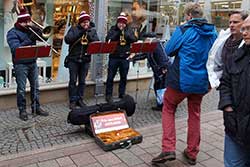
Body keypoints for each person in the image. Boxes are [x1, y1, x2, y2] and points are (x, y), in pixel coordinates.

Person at [152, 2, 217, 165]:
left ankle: (168, 148)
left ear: (188, 16)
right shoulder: (213, 32)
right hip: (201, 81)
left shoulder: (184, 29)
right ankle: (192, 152)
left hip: (181, 80)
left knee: (168, 107)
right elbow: (215, 56)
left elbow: (168, 50)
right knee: (194, 114)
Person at [6, 8, 49, 121]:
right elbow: (16, 49)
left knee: (36, 87)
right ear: (20, 22)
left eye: (29, 21)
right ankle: (22, 110)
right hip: (20, 64)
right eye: (26, 22)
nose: (28, 24)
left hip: (32, 62)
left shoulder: (31, 30)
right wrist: (30, 39)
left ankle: (36, 107)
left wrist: (40, 31)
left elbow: (45, 37)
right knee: (21, 88)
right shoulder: (12, 33)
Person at [218, 16, 250, 167]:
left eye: (249, 29)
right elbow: (225, 82)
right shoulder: (237, 55)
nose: (245, 32)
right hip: (235, 126)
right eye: (244, 28)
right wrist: (227, 107)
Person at [64, 11, 99, 109]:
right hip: (73, 59)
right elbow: (67, 39)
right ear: (80, 22)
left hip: (85, 59)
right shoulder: (74, 29)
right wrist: (80, 33)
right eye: (84, 22)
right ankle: (73, 100)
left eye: (87, 22)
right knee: (73, 81)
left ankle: (80, 99)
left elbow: (96, 41)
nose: (86, 24)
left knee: (82, 81)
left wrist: (88, 35)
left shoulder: (92, 30)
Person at [207, 11, 248, 88]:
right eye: (230, 22)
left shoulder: (247, 43)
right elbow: (216, 61)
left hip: (241, 86)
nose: (231, 25)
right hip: (225, 84)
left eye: (235, 22)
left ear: (245, 23)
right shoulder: (223, 39)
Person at [105, 12, 137, 103]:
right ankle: (108, 95)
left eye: (123, 23)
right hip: (114, 57)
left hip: (125, 57)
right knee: (110, 77)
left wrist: (126, 34)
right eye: (120, 23)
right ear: (117, 23)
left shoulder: (129, 30)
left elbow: (134, 39)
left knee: (124, 77)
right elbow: (108, 39)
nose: (121, 25)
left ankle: (121, 93)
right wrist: (118, 32)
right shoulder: (112, 29)